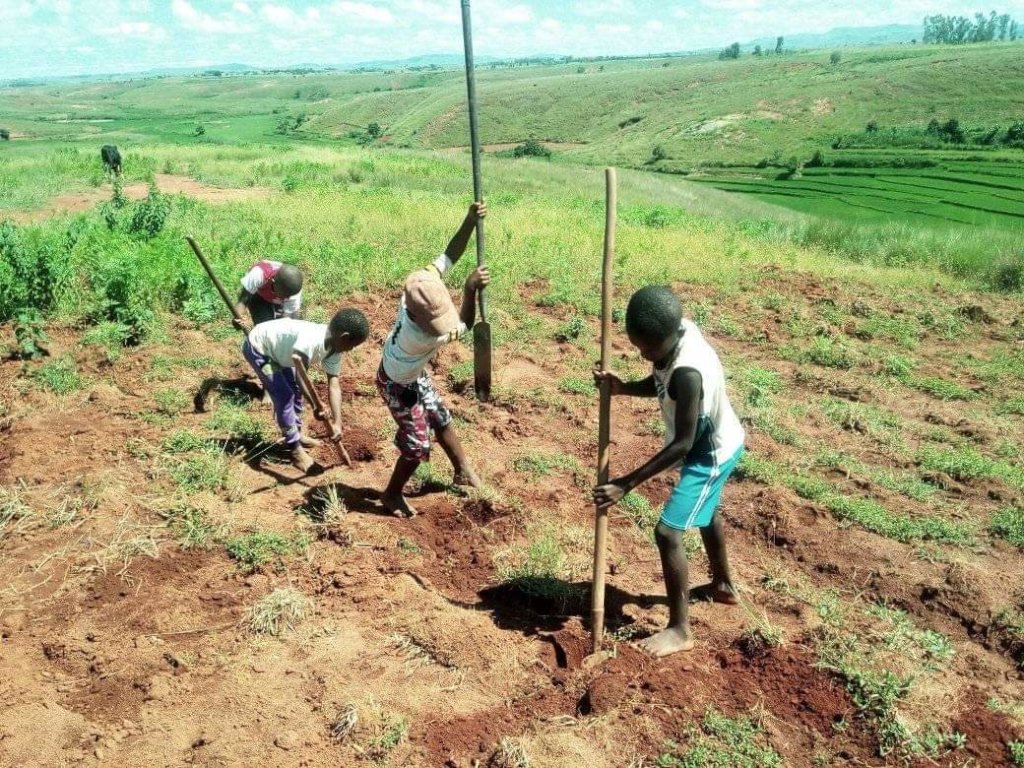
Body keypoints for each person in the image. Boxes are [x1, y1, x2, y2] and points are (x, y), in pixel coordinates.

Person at [593, 285, 746, 657]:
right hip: (713, 441)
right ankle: (723, 585)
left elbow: (683, 444)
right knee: (706, 512)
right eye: (639, 348)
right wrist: (624, 388)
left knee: (667, 532)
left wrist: (626, 483)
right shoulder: (677, 335)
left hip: (709, 453)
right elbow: (663, 383)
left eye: (650, 349)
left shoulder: (689, 373)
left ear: (673, 334)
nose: (645, 355)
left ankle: (679, 630)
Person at [377, 202, 489, 518]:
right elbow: (466, 324)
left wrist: (469, 220)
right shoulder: (423, 337)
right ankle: (391, 494)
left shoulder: (418, 286)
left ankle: (463, 470)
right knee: (416, 445)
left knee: (440, 415)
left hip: (411, 373)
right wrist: (469, 289)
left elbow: (449, 254)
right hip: (397, 384)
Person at [242, 310, 369, 472]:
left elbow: (334, 384)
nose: (351, 349)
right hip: (260, 350)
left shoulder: (334, 348)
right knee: (284, 395)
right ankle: (294, 450)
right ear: (344, 337)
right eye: (353, 345)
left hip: (280, 353)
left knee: (295, 391)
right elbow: (301, 378)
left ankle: (297, 433)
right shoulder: (311, 341)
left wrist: (337, 423)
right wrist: (316, 405)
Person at [233, 260, 304, 333]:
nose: (288, 298)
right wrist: (238, 318)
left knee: (285, 329)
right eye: (284, 295)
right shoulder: (258, 275)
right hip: (259, 296)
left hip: (275, 298)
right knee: (264, 328)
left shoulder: (293, 291)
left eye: (289, 296)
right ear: (273, 282)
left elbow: (289, 321)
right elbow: (242, 302)